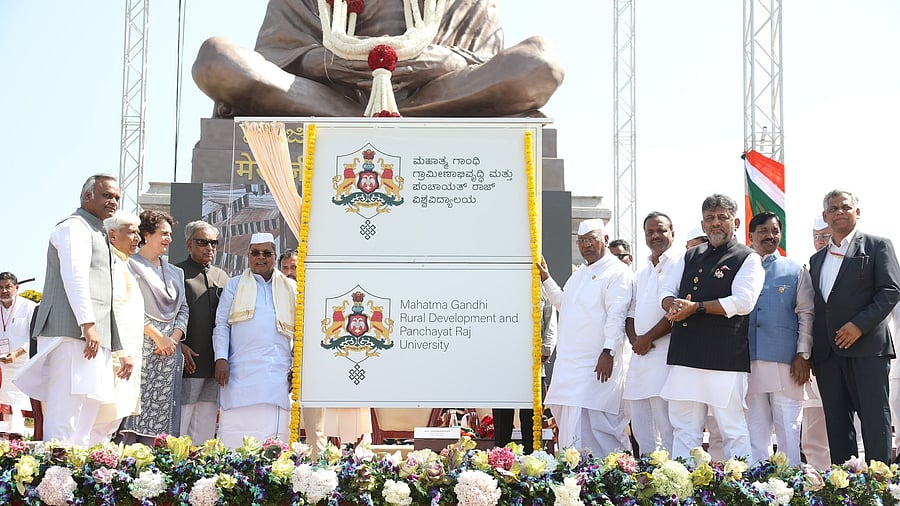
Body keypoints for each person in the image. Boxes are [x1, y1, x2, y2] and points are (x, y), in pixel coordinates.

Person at [192, 0, 564, 118]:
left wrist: (440, 62)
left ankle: (378, 118)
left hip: (436, 91)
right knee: (215, 59)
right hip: (324, 91)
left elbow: (480, 59)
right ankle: (368, 117)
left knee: (539, 64)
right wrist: (327, 63)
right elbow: (276, 56)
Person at [17, 174, 128, 444]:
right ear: (87, 196)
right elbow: (74, 275)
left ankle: (72, 475)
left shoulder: (98, 231)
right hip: (72, 332)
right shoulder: (74, 227)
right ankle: (55, 477)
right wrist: (87, 325)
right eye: (106, 195)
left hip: (92, 336)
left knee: (87, 409)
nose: (113, 201)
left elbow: (105, 294)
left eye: (116, 197)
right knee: (65, 409)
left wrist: (115, 346)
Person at [660, 194, 765, 461]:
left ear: (736, 221)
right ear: (703, 224)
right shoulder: (689, 255)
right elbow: (666, 290)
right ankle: (681, 488)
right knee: (684, 428)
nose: (715, 223)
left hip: (724, 357)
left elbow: (743, 301)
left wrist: (697, 308)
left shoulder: (748, 258)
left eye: (722, 217)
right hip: (685, 355)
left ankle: (740, 489)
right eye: (709, 218)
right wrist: (672, 304)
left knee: (732, 429)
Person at [809, 189, 900, 465]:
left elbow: (890, 290)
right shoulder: (816, 260)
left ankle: (879, 486)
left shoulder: (877, 246)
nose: (839, 212)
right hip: (828, 356)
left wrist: (858, 326)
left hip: (867, 350)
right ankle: (845, 487)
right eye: (833, 208)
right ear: (825, 216)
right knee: (837, 425)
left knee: (874, 420)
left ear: (856, 212)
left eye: (845, 207)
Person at [540, 218, 633, 455]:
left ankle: (609, 479)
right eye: (581, 241)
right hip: (571, 367)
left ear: (605, 239)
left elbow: (617, 314)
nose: (586, 245)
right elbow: (565, 304)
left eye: (592, 239)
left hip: (598, 363)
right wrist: (547, 279)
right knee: (570, 426)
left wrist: (608, 351)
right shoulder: (580, 273)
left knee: (599, 427)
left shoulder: (617, 272)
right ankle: (574, 481)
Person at [744, 212, 814, 466]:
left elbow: (806, 314)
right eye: (763, 230)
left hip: (787, 363)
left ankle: (791, 490)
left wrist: (803, 354)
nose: (770, 236)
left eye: (775, 231)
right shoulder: (741, 269)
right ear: (751, 236)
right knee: (756, 434)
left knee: (788, 431)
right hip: (748, 363)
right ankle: (758, 491)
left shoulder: (794, 269)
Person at [214, 233, 295, 447]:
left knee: (273, 439)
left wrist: (296, 365)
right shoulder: (234, 284)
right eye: (255, 253)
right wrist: (220, 358)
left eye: (266, 253)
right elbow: (222, 324)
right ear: (248, 256)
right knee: (236, 437)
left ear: (274, 256)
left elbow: (300, 332)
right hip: (239, 371)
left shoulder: (291, 288)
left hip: (276, 372)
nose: (261, 258)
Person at [119, 211, 189, 444]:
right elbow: (126, 307)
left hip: (169, 354)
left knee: (162, 428)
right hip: (141, 348)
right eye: (163, 234)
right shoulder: (128, 266)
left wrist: (173, 339)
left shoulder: (176, 272)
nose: (168, 239)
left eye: (170, 234)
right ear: (146, 235)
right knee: (132, 417)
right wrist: (158, 337)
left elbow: (183, 309)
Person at [623, 212, 678, 455]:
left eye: (661, 230)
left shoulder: (680, 264)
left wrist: (647, 339)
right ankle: (647, 480)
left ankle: (672, 480)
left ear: (672, 234)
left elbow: (676, 310)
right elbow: (631, 311)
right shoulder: (641, 273)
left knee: (667, 426)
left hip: (664, 354)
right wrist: (636, 341)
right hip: (639, 357)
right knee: (640, 425)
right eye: (650, 232)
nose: (655, 236)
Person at [91, 212, 144, 443]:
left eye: (138, 232)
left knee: (110, 424)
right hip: (115, 357)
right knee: (99, 423)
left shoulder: (122, 264)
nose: (138, 238)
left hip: (126, 357)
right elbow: (111, 312)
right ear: (112, 235)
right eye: (131, 232)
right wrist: (121, 352)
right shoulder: (107, 265)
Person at [176, 221, 230, 444]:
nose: (209, 248)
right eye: (202, 242)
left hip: (215, 365)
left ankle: (199, 472)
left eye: (213, 243)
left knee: (206, 426)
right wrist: (179, 345)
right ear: (189, 244)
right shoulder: (176, 272)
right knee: (180, 424)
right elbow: (167, 314)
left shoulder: (223, 277)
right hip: (187, 361)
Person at [493, 289, 557, 454]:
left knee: (531, 421)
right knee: (502, 419)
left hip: (533, 364)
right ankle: (500, 463)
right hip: (503, 365)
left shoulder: (541, 288)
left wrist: (544, 351)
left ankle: (532, 463)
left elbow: (550, 324)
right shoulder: (499, 289)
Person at [278, 248, 328, 456]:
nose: (290, 272)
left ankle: (318, 474)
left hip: (310, 369)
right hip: (279, 368)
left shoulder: (316, 296)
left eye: (294, 268)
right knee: (280, 425)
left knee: (315, 428)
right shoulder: (273, 296)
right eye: (285, 268)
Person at [0, 272, 37, 433]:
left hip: (22, 366)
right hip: (1, 368)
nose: (4, 291)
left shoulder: (29, 307)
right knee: (3, 408)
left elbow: (35, 337)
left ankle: (17, 441)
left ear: (16, 287)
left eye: (8, 287)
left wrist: (17, 353)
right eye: (0, 287)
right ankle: (4, 443)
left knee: (18, 408)